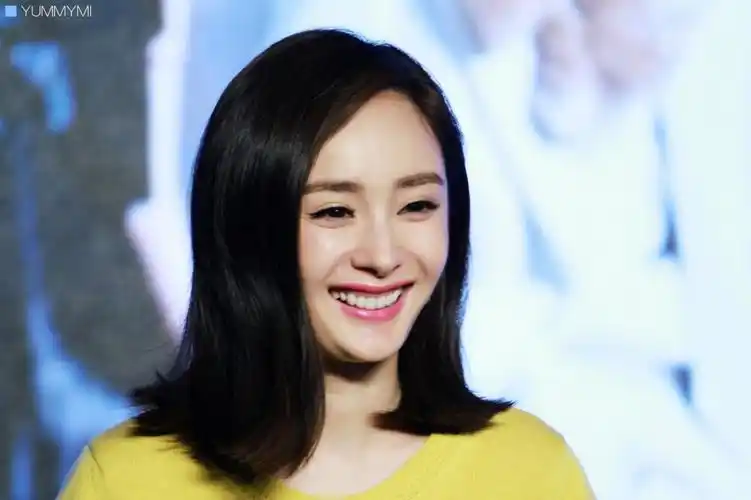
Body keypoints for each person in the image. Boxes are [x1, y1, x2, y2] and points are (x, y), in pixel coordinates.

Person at [57, 29, 594, 499]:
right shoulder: (126, 482)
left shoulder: (530, 474)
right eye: (334, 211)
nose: (383, 256)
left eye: (417, 206)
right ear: (248, 225)